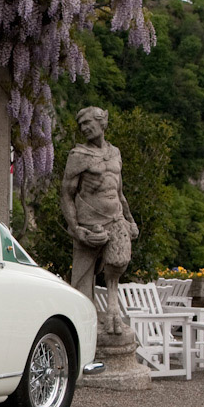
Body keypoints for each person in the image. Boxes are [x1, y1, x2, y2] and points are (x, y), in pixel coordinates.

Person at [60, 106, 138, 333]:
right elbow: (66, 194)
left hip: (116, 218)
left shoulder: (115, 153)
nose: (84, 128)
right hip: (89, 223)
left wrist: (130, 219)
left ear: (101, 122)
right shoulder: (78, 155)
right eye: (81, 125)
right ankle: (83, 327)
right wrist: (75, 229)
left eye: (88, 123)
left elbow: (119, 192)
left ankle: (113, 311)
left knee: (118, 263)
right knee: (82, 278)